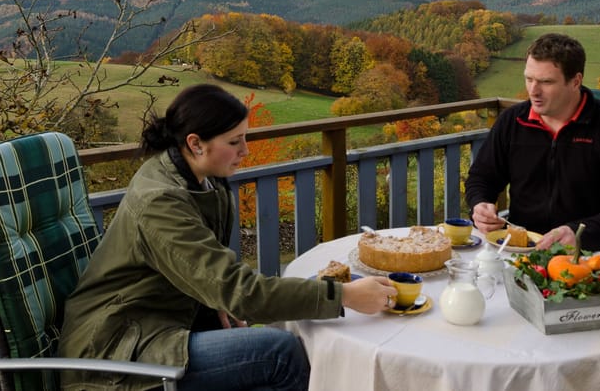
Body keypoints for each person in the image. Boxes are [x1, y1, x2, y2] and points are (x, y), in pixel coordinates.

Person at [59, 83, 397, 391]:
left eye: (245, 138)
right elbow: (240, 292)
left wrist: (213, 300)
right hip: (114, 352)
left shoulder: (201, 178)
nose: (246, 151)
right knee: (280, 353)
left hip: (160, 324)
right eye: (234, 142)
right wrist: (343, 296)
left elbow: (207, 273)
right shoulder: (161, 202)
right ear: (195, 143)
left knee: (266, 354)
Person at [464, 33, 600, 255]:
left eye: (546, 82)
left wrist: (579, 232)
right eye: (529, 79)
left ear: (575, 81)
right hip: (520, 249)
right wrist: (480, 204)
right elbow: (482, 177)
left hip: (587, 254)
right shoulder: (512, 121)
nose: (533, 91)